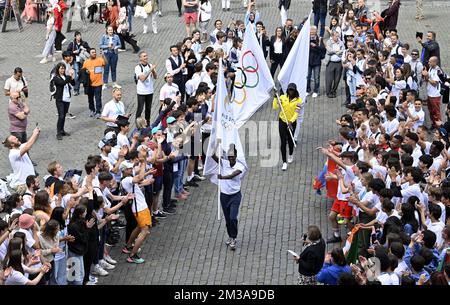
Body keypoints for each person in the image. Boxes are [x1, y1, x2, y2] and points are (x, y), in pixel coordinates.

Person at [211, 143, 246, 251]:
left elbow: (233, 175)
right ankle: (230, 236)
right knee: (227, 218)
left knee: (233, 217)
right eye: (229, 156)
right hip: (224, 195)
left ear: (236, 156)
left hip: (235, 195)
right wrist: (217, 143)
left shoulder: (240, 166)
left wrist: (222, 177)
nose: (230, 158)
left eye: (232, 156)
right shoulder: (224, 163)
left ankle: (234, 237)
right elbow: (212, 155)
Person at [120, 159, 153, 264]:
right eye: (128, 168)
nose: (131, 169)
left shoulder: (128, 179)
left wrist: (146, 182)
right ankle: (132, 255)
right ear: (124, 171)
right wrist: (143, 164)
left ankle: (128, 246)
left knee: (139, 227)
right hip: (140, 208)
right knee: (145, 231)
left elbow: (139, 182)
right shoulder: (127, 179)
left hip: (140, 207)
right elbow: (140, 177)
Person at [273, 83, 301, 171]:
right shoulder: (282, 97)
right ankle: (284, 162)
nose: (291, 92)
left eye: (292, 90)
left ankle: (291, 154)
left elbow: (297, 113)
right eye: (289, 90)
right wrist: (275, 98)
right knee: (283, 141)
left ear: (295, 91)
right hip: (282, 121)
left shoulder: (299, 101)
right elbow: (275, 107)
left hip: (292, 123)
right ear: (287, 90)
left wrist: (291, 121)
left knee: (290, 140)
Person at [4, 126, 40, 191]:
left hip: (30, 181)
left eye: (16, 137)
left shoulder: (20, 147)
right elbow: (27, 147)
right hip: (23, 183)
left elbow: (30, 142)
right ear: (12, 144)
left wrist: (37, 133)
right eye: (15, 139)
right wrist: (34, 134)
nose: (17, 138)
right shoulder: (12, 153)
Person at [52, 62, 75, 140]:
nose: (63, 70)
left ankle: (62, 130)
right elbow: (62, 83)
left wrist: (72, 76)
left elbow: (73, 83)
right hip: (60, 99)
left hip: (67, 98)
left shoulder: (66, 76)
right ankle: (58, 132)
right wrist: (69, 76)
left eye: (64, 68)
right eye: (61, 68)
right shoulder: (56, 78)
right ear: (58, 69)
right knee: (61, 116)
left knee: (64, 115)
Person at [82, 48, 106, 118]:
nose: (94, 53)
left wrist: (103, 56)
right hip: (90, 84)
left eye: (95, 52)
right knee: (90, 98)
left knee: (98, 98)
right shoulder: (86, 62)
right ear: (90, 54)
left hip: (98, 83)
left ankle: (98, 111)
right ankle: (92, 109)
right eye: (92, 52)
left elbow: (106, 63)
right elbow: (83, 72)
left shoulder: (99, 60)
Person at [135, 51, 157, 123]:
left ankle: (148, 124)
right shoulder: (138, 68)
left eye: (146, 56)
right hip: (141, 92)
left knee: (148, 109)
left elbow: (155, 77)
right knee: (140, 109)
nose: (146, 57)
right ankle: (138, 125)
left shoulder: (150, 65)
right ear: (140, 58)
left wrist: (153, 71)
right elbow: (142, 79)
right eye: (144, 56)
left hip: (150, 91)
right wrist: (150, 70)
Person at [67, 31, 91, 96]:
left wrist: (85, 49)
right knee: (77, 75)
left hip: (83, 61)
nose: (79, 37)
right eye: (77, 35)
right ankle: (76, 89)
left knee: (84, 74)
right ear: (75, 37)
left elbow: (90, 50)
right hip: (75, 61)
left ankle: (87, 89)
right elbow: (67, 52)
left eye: (80, 35)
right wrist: (73, 52)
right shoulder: (72, 44)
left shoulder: (84, 43)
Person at [423, 56, 442, 130]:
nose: (428, 63)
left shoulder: (438, 71)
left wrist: (427, 77)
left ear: (435, 62)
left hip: (435, 95)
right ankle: (433, 125)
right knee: (431, 111)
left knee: (436, 112)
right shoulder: (430, 68)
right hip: (430, 94)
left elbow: (434, 83)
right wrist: (425, 75)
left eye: (430, 62)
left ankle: (439, 128)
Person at [307, 26, 325, 98]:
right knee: (308, 77)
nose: (312, 33)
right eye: (311, 31)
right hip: (308, 61)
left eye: (313, 31)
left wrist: (316, 46)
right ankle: (307, 90)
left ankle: (316, 90)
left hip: (317, 61)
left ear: (316, 31)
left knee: (316, 77)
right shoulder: (306, 39)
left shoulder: (319, 39)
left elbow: (323, 49)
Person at [325, 31, 344, 98]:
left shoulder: (340, 42)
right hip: (330, 63)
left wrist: (334, 52)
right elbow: (329, 50)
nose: (337, 37)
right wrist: (337, 52)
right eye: (336, 36)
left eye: (338, 36)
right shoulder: (329, 42)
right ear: (332, 36)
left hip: (339, 63)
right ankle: (328, 92)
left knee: (337, 79)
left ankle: (334, 91)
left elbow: (343, 50)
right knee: (329, 79)